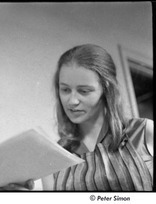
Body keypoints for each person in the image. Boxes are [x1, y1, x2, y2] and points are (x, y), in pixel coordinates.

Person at [42, 44, 153, 191]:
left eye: (84, 91)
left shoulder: (144, 132)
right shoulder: (54, 156)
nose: (72, 101)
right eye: (65, 90)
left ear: (107, 90)